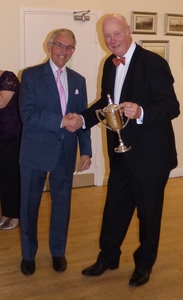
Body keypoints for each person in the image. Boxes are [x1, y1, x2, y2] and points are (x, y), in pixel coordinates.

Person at [69, 14, 180, 286]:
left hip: (151, 156)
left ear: (128, 32)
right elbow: (106, 102)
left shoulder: (154, 63)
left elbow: (171, 107)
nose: (112, 40)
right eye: (107, 36)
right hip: (120, 152)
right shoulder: (110, 63)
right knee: (115, 209)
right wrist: (83, 119)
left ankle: (144, 264)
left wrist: (141, 111)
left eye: (116, 33)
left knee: (148, 214)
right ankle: (108, 257)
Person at [19, 28, 92, 275]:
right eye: (59, 45)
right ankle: (28, 254)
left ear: (73, 51)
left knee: (62, 205)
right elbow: (28, 114)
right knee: (29, 206)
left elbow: (83, 119)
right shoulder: (30, 76)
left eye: (69, 47)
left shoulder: (78, 80)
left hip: (65, 152)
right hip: (34, 151)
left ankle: (58, 252)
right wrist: (62, 121)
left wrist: (86, 151)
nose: (64, 51)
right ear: (49, 46)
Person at [0, 70, 21, 230]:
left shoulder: (7, 77)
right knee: (3, 177)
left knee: (12, 176)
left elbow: (1, 102)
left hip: (13, 134)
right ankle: (6, 213)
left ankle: (15, 215)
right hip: (1, 135)